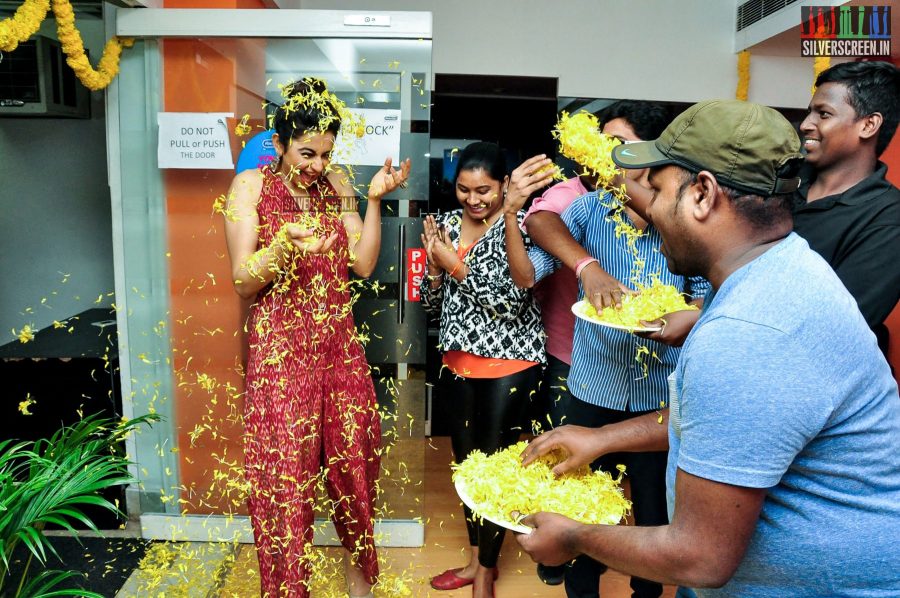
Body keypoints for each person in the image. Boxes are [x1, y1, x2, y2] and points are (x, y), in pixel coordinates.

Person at [516, 99, 900, 597]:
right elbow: (715, 420)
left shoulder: (747, 334)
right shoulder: (772, 266)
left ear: (702, 194)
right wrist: (605, 438)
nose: (647, 207)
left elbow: (700, 558)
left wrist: (574, 536)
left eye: (656, 189)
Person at [505, 103, 708, 598]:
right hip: (592, 386)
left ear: (651, 155)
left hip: (658, 396)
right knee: (580, 500)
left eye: (618, 146)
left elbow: (710, 295)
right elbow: (537, 240)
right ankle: (581, 586)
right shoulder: (593, 209)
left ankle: (648, 588)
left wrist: (684, 318)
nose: (604, 156)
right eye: (603, 143)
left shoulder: (684, 219)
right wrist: (585, 266)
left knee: (655, 507)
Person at [223, 77, 410, 598]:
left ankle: (360, 589)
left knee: (356, 472)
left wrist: (372, 202)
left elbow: (363, 262)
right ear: (278, 143)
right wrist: (282, 242)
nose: (316, 166)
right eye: (306, 153)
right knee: (284, 488)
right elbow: (242, 280)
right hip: (281, 359)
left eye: (325, 154)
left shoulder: (338, 185)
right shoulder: (251, 188)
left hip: (339, 352)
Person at [421, 142, 546, 598]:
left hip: (510, 364)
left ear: (505, 185)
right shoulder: (447, 225)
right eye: (464, 189)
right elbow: (433, 304)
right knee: (467, 470)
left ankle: (488, 570)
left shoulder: (523, 227)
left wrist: (452, 263)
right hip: (456, 363)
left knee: (495, 472)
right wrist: (435, 271)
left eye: (484, 190)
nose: (474, 200)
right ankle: (475, 559)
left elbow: (510, 300)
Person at [793, 60, 900, 355]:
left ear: (868, 125)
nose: (805, 124)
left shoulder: (888, 218)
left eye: (823, 114)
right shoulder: (782, 182)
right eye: (810, 112)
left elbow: (835, 326)